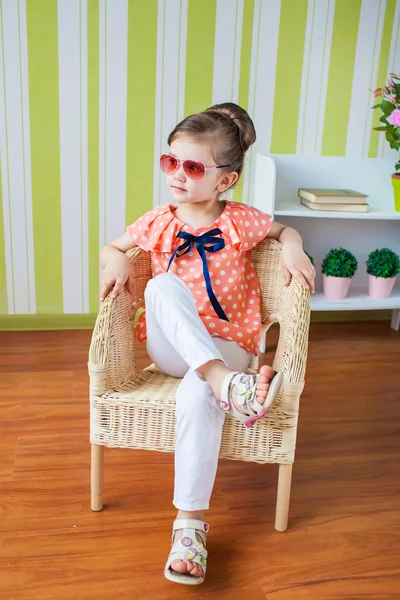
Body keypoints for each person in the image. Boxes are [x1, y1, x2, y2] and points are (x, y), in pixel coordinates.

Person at [99, 102, 315, 586]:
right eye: (170, 161)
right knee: (159, 286)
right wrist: (113, 258)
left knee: (201, 393)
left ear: (225, 180)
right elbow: (112, 245)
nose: (177, 174)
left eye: (192, 166)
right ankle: (229, 386)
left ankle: (188, 528)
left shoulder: (240, 220)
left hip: (231, 347)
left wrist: (296, 246)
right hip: (172, 348)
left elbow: (286, 231)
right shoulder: (159, 221)